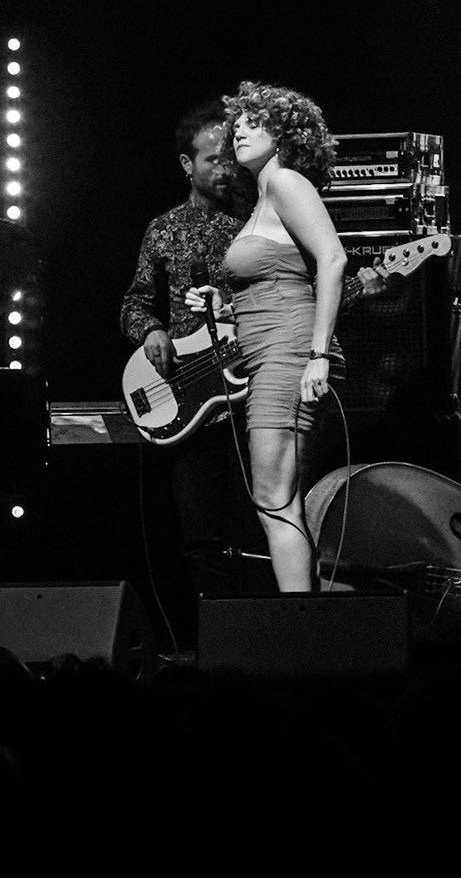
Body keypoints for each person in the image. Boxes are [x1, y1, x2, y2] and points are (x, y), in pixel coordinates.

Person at [188, 82, 347, 592]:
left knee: (274, 498)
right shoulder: (263, 196)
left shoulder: (287, 183)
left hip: (291, 352)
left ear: (284, 135)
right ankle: (309, 618)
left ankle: (304, 626)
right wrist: (225, 305)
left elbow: (333, 259)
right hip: (269, 353)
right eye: (237, 125)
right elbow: (278, 278)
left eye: (254, 123)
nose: (240, 131)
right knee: (278, 499)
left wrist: (318, 356)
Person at [119, 99, 253, 601]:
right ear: (186, 165)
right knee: (199, 536)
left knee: (259, 525)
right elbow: (133, 302)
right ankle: (218, 645)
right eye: (212, 160)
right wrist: (151, 330)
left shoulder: (259, 219)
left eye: (229, 158)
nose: (225, 169)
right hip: (193, 401)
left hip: (252, 390)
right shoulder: (164, 229)